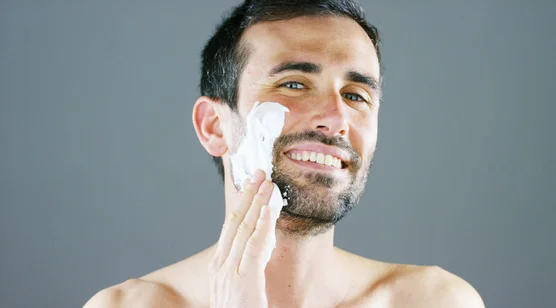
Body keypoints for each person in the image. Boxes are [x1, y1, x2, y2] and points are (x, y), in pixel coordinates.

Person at [84, 0, 485, 307]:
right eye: (294, 84)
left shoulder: (432, 301)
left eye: (356, 95)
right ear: (214, 126)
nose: (336, 118)